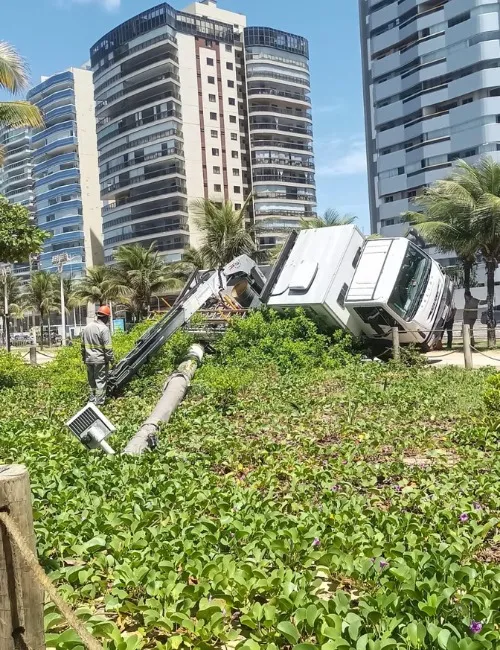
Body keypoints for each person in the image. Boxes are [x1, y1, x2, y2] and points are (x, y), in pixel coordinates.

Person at [81, 305, 114, 406]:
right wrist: (112, 360)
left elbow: (82, 346)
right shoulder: (104, 329)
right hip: (100, 360)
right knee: (100, 382)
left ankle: (91, 401)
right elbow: (108, 348)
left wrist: (84, 358)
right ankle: (99, 404)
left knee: (92, 382)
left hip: (89, 360)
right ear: (106, 317)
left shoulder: (86, 328)